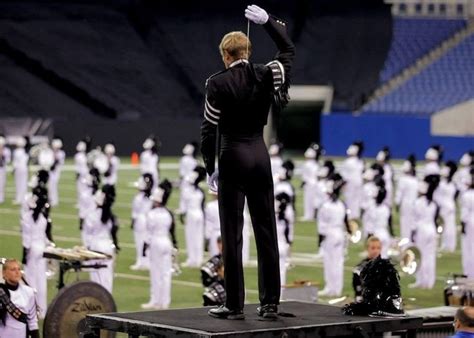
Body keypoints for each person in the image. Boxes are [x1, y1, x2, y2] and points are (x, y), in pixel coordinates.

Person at [201, 4, 294, 320]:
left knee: (232, 233)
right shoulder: (268, 73)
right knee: (266, 229)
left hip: (231, 158)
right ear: (248, 51)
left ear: (225, 55)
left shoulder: (216, 83)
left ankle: (234, 304)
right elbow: (287, 47)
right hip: (259, 155)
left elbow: (208, 130)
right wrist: (269, 21)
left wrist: (209, 166)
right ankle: (270, 303)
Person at [141, 180, 177, 310]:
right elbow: (172, 230)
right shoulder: (168, 213)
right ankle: (165, 301)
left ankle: (155, 300)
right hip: (166, 242)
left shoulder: (151, 214)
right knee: (166, 273)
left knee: (156, 273)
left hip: (156, 242)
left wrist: (144, 248)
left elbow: (148, 234)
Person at [21, 185, 53, 319]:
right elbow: (46, 237)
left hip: (32, 250)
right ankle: (42, 311)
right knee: (41, 280)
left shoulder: (27, 217)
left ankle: (32, 311)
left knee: (30, 280)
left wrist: (24, 256)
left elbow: (27, 240)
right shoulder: (43, 217)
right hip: (42, 249)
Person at [318, 174, 352, 297]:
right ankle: (338, 288)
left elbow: (321, 226)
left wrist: (320, 242)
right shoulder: (342, 205)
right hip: (340, 234)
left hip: (330, 234)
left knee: (329, 262)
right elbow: (347, 223)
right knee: (339, 262)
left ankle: (330, 287)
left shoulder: (325, 206)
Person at [83, 184, 119, 293]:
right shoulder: (111, 216)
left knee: (96, 278)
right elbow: (114, 232)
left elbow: (88, 234)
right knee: (107, 278)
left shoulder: (92, 215)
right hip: (108, 246)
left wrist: (87, 248)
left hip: (96, 246)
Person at [410, 175, 440, 289]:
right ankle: (430, 282)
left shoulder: (418, 202)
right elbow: (436, 219)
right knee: (430, 256)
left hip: (421, 230)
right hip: (431, 229)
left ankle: (421, 281)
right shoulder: (434, 203)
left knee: (421, 255)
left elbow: (414, 220)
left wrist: (412, 233)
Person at [0, 259, 39, 338]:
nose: (17, 272)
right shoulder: (1, 292)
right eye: (13, 269)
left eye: (19, 269)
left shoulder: (29, 292)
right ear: (4, 273)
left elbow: (32, 321)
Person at [182, 166, 206, 267]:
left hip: (191, 214)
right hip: (199, 214)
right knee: (199, 237)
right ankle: (199, 258)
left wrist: (182, 213)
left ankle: (192, 259)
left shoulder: (188, 191)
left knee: (191, 237)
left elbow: (184, 204)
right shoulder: (200, 192)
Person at [130, 173, 154, 270]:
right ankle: (147, 261)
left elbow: (135, 212)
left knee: (140, 241)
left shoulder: (138, 197)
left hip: (140, 220)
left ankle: (140, 262)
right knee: (147, 241)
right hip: (149, 220)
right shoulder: (151, 196)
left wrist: (133, 222)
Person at [434, 161, 458, 252]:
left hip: (446, 207)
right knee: (447, 226)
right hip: (447, 206)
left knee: (447, 227)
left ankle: (448, 245)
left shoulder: (448, 184)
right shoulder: (448, 183)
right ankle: (448, 245)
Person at [395, 155, 418, 240]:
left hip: (406, 204)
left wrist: (397, 202)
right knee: (412, 223)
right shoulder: (415, 180)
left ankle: (405, 240)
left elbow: (399, 193)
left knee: (405, 223)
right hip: (414, 204)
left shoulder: (403, 180)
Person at [352, 236, 382, 303]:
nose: (376, 251)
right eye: (373, 248)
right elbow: (358, 290)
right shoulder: (360, 268)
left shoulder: (385, 267)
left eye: (378, 248)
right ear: (367, 248)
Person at [340, 141, 364, 220]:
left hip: (351, 183)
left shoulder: (349, 162)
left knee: (350, 199)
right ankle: (355, 214)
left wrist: (343, 184)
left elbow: (344, 175)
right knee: (356, 199)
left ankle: (350, 215)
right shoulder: (360, 161)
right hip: (358, 182)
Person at [301, 143, 322, 221]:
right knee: (310, 200)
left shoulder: (311, 164)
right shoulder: (313, 164)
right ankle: (310, 215)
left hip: (311, 184)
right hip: (311, 183)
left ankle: (309, 215)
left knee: (310, 200)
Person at [460, 169, 474, 278]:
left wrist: (463, 224)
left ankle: (469, 273)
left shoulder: (467, 195)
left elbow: (465, 212)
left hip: (470, 222)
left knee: (469, 249)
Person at [178, 142, 198, 215]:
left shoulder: (183, 159)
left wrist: (180, 180)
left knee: (183, 195)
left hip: (185, 180)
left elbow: (181, 173)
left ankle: (183, 209)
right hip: (192, 180)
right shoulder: (194, 160)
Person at [48, 137, 65, 206]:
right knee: (50, 185)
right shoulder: (51, 152)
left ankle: (54, 201)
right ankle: (50, 199)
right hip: (51, 171)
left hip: (56, 171)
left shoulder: (61, 153)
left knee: (53, 185)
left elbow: (58, 162)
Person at [205, 187, 221, 258]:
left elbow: (209, 223)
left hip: (214, 233)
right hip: (226, 233)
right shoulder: (228, 204)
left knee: (215, 257)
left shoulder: (210, 206)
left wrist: (207, 237)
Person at [13, 137, 29, 205]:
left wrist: (14, 169)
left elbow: (15, 162)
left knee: (19, 184)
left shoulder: (17, 151)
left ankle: (19, 199)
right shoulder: (25, 151)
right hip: (24, 168)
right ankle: (23, 199)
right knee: (23, 184)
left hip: (19, 169)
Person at [74, 139, 89, 204]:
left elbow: (78, 167)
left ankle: (80, 202)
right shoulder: (85, 155)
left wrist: (77, 175)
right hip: (86, 174)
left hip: (81, 174)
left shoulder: (78, 156)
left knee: (80, 189)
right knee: (85, 189)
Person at [0, 135, 11, 204]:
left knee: (1, 183)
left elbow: (8, 160)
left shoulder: (6, 151)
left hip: (2, 169)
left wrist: (2, 155)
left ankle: (1, 198)